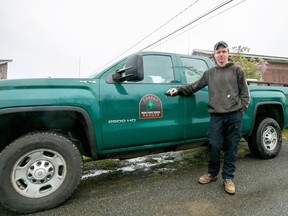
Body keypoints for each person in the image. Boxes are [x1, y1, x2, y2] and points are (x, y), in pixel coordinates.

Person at [166, 41, 250, 195]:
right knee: (214, 144)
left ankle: (228, 177)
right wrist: (177, 90)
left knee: (231, 146)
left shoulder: (237, 70)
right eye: (218, 52)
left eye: (224, 51)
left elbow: (245, 93)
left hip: (234, 115)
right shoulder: (209, 73)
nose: (221, 55)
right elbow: (194, 86)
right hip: (216, 116)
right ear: (214, 55)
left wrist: (240, 112)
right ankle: (212, 173)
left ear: (228, 53)